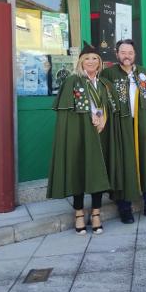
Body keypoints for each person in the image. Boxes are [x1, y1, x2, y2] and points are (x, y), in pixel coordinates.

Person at [47, 43, 114, 235]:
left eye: (95, 58)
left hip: (100, 132)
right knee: (79, 171)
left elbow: (108, 106)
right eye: (87, 58)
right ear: (80, 62)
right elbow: (68, 114)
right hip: (80, 134)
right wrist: (88, 117)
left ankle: (95, 213)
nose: (91, 62)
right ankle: (78, 213)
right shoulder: (73, 81)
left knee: (98, 174)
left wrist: (102, 117)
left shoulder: (103, 84)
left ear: (99, 62)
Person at [101, 39, 146, 223]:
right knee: (124, 164)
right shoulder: (108, 74)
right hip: (121, 126)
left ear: (135, 54)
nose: (127, 56)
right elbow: (102, 101)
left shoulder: (143, 73)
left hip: (144, 124)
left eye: (130, 52)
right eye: (123, 52)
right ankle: (125, 208)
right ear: (117, 54)